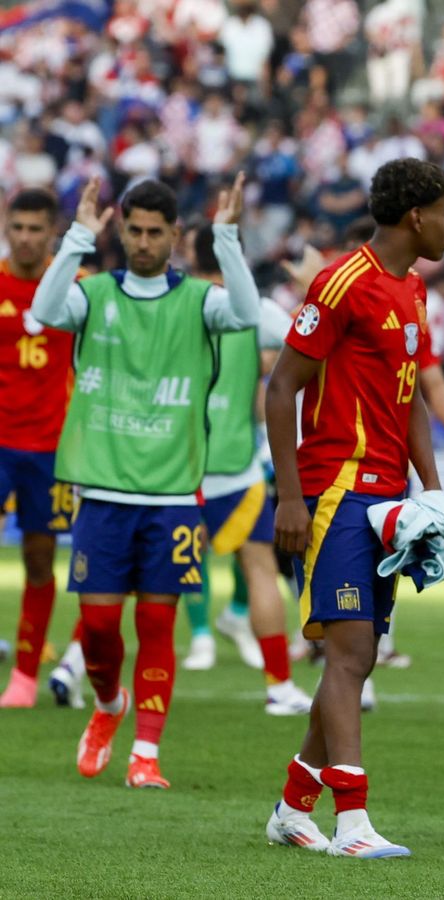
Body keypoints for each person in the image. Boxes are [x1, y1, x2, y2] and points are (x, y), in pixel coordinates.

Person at [35, 174, 259, 789]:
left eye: (154, 233)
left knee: (157, 625)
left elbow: (243, 312)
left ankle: (147, 754)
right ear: (121, 229)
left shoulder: (198, 301)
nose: (141, 242)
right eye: (133, 230)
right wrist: (80, 234)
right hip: (103, 495)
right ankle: (109, 706)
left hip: (171, 498)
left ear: (175, 236)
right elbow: (44, 310)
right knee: (102, 627)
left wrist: (229, 235)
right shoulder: (96, 294)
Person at [263, 158, 444, 858]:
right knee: (348, 653)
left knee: (361, 654)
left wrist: (430, 490)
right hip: (337, 490)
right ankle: (352, 822)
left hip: (384, 498)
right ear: (416, 216)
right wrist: (290, 495)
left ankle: (293, 806)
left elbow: (408, 404)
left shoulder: (410, 290)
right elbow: (282, 387)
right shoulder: (343, 281)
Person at [187, 223, 315, 715]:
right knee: (261, 569)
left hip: (174, 465)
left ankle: (81, 666)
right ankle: (279, 686)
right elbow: (310, 342)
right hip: (238, 464)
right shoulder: (254, 310)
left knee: (142, 574)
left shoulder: (179, 301)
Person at [0, 189, 83, 709]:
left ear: (51, 232)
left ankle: (25, 677)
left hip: (51, 449)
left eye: (35, 228)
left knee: (38, 559)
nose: (25, 237)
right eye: (17, 227)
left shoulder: (73, 290)